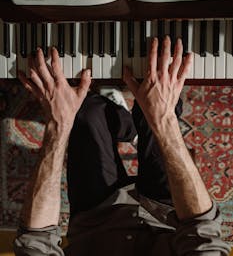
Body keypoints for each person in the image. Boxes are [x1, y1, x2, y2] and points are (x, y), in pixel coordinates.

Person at [14, 36, 230, 256]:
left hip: (97, 221)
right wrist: (163, 120)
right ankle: (139, 122)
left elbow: (35, 242)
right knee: (157, 105)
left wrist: (59, 124)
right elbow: (202, 230)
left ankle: (126, 121)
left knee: (87, 112)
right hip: (167, 217)